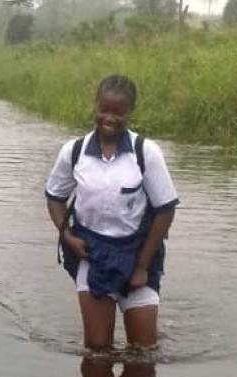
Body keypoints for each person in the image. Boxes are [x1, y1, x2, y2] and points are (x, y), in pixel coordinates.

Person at [45, 74, 179, 350]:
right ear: (95, 106)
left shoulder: (146, 153)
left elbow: (165, 211)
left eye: (118, 112)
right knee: (97, 349)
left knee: (143, 351)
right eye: (104, 110)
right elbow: (55, 197)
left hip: (138, 253)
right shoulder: (74, 152)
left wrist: (141, 266)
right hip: (92, 254)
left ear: (130, 112)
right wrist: (66, 236)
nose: (109, 118)